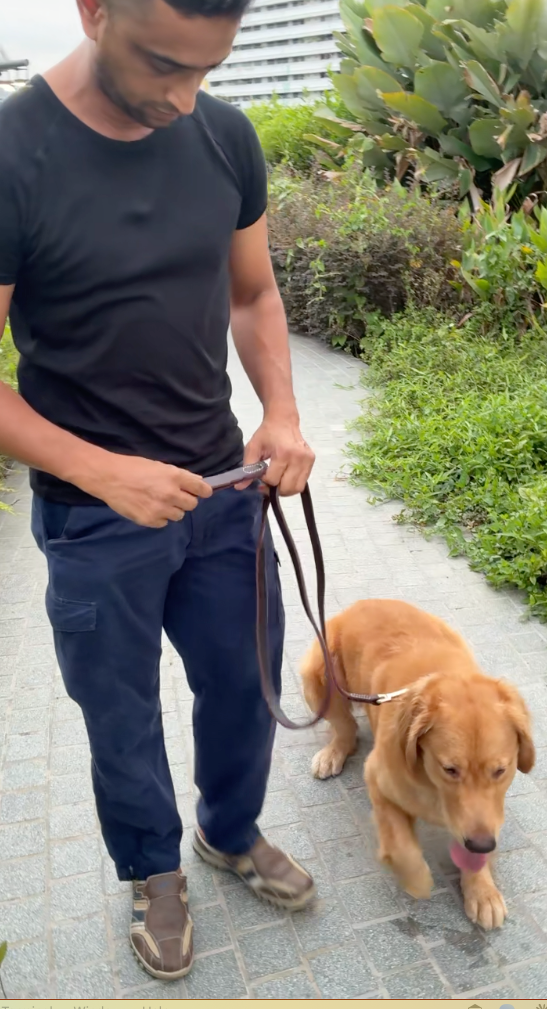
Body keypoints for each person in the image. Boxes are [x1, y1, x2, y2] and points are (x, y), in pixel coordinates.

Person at [0, 0, 316, 982]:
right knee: (121, 712)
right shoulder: (14, 155)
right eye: (162, 66)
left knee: (245, 684)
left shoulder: (222, 134)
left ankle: (227, 831)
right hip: (95, 518)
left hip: (224, 488)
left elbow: (254, 293)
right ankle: (153, 870)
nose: (184, 100)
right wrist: (99, 469)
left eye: (205, 71)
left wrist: (283, 414)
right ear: (94, 8)